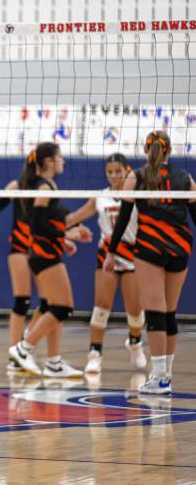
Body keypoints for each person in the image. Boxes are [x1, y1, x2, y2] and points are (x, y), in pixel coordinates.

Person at [105, 131, 196, 395]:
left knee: (155, 311)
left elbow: (123, 217)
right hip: (180, 247)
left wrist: (111, 252)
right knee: (170, 312)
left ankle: (159, 377)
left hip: (150, 247)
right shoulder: (185, 179)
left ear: (147, 151)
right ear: (168, 151)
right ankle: (165, 373)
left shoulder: (138, 176)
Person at [8, 142, 92, 377]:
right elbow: (37, 223)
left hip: (47, 253)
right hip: (43, 255)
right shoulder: (44, 187)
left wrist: (73, 228)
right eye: (59, 157)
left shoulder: (48, 186)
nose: (63, 161)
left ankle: (54, 362)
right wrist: (66, 233)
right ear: (48, 162)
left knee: (51, 306)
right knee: (62, 308)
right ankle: (24, 348)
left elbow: (52, 218)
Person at [64, 153, 146, 373]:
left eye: (117, 171)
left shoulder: (138, 195)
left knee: (135, 311)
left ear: (127, 170)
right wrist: (56, 225)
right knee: (101, 306)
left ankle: (135, 343)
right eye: (109, 172)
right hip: (107, 254)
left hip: (132, 253)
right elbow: (73, 217)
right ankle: (95, 354)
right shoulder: (100, 197)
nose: (113, 176)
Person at [0, 162, 43, 372]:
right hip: (20, 247)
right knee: (22, 301)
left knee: (49, 303)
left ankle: (25, 343)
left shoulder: (47, 187)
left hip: (41, 249)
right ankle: (14, 354)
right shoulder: (16, 187)